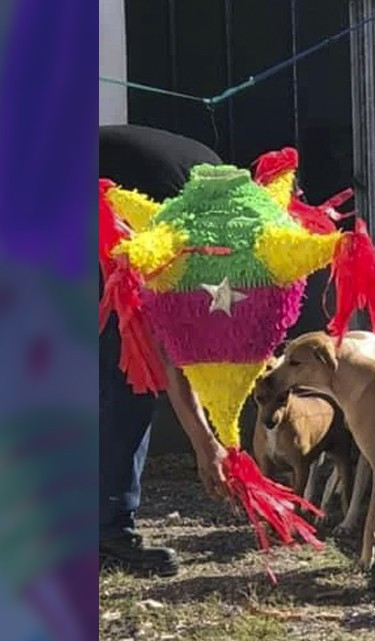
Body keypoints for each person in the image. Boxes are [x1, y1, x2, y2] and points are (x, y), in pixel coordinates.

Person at [99, 125, 229, 577]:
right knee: (132, 373)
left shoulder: (212, 180)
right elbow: (167, 350)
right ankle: (110, 532)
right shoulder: (195, 235)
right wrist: (205, 443)